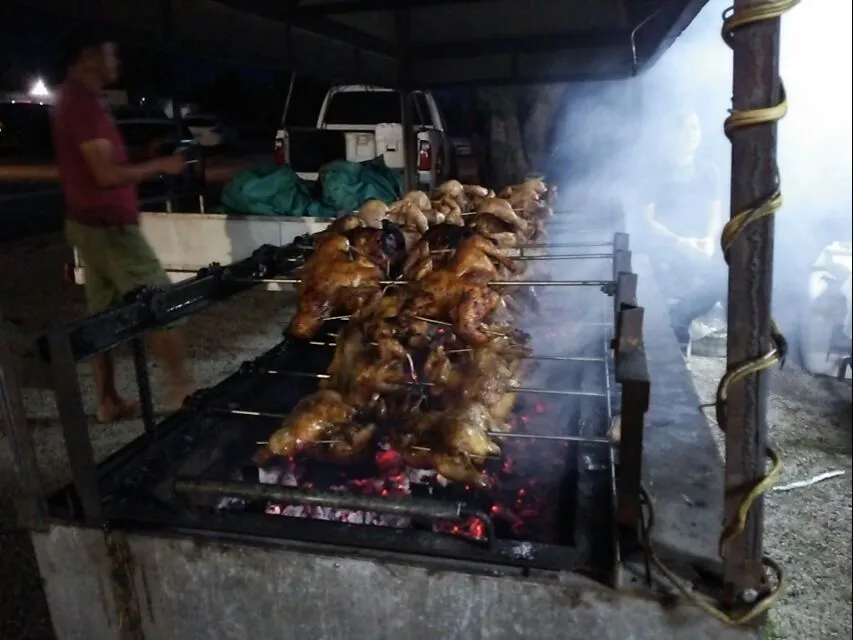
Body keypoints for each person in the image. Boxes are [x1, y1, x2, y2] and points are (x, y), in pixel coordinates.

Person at [52, 33, 194, 423]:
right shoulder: (81, 103)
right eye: (111, 50)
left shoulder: (82, 99)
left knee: (102, 318)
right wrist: (161, 167)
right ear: (88, 55)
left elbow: (102, 162)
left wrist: (143, 157)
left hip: (88, 224)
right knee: (162, 302)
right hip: (109, 229)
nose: (117, 58)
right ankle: (184, 394)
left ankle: (108, 400)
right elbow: (104, 174)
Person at [639, 110, 727, 349]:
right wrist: (679, 241)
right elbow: (648, 220)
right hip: (665, 245)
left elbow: (714, 215)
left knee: (723, 279)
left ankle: (678, 320)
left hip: (700, 246)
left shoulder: (709, 170)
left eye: (694, 128)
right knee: (661, 278)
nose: (689, 135)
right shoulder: (655, 170)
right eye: (684, 129)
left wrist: (708, 240)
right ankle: (675, 332)